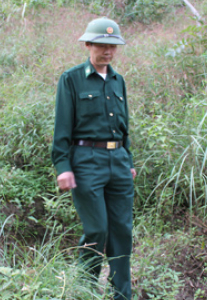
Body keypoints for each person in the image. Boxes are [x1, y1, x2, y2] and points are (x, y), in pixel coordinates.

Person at [51, 17, 136, 300]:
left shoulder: (118, 80)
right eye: (101, 45)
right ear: (88, 44)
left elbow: (125, 126)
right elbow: (62, 127)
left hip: (119, 162)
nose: (107, 51)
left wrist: (129, 160)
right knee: (97, 229)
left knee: (122, 230)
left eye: (112, 46)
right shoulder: (72, 79)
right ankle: (84, 290)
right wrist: (63, 166)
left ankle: (122, 294)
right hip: (86, 161)